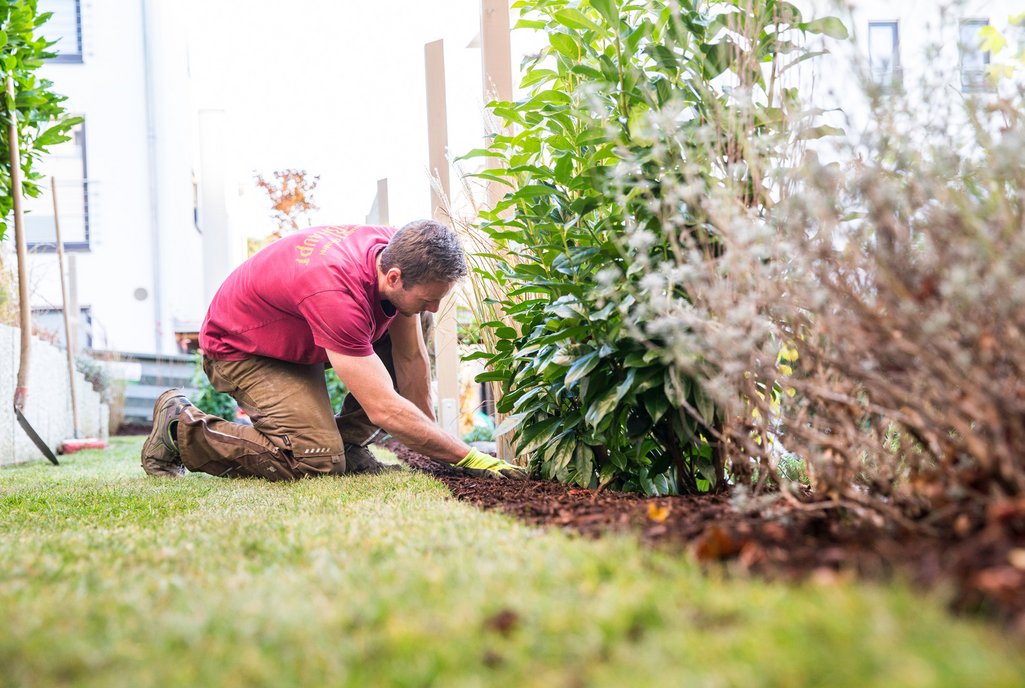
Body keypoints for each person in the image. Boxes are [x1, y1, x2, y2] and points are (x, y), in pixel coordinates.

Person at [140, 220, 524, 481]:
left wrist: (435, 446)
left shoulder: (401, 252)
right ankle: (181, 427)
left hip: (298, 336)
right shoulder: (336, 294)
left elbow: (410, 359)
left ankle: (348, 445)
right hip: (245, 348)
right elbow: (384, 406)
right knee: (315, 460)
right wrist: (468, 457)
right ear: (393, 277)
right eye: (430, 298)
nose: (436, 307)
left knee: (414, 316)